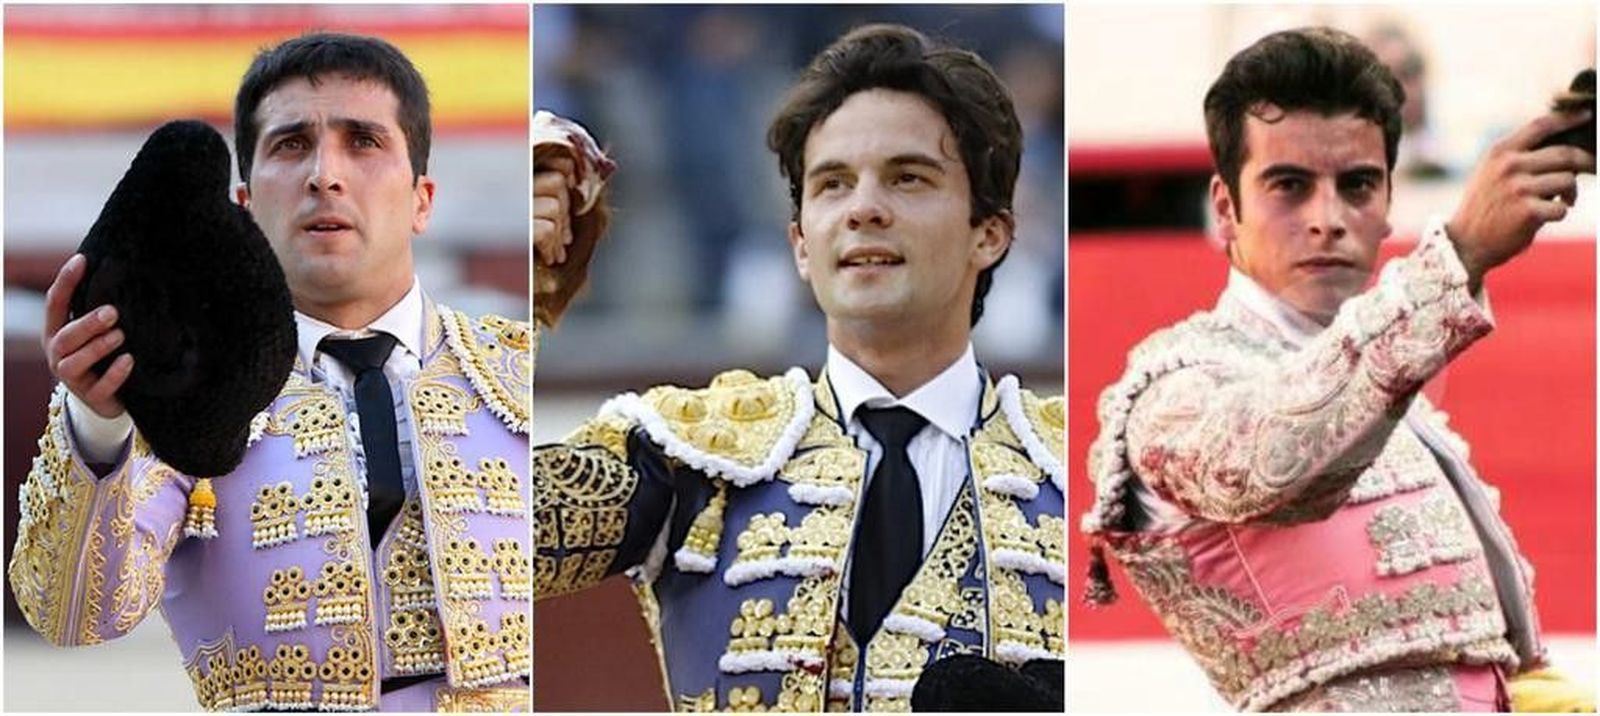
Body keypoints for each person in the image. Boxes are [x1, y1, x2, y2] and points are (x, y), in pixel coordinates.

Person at [533, 24, 1064, 711]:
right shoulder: (689, 459)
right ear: (801, 246)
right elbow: (465, 547)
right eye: (833, 184)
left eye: (907, 178)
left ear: (989, 234)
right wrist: (523, 306)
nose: (864, 209)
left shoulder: (1076, 474)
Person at [9, 33, 531, 712]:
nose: (325, 176)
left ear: (422, 199)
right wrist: (97, 421)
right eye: (291, 145)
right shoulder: (184, 390)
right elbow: (73, 614)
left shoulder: (515, 368)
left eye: (363, 141)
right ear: (245, 205)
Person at [1080, 27, 1594, 712]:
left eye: (1357, 186)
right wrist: (1459, 254)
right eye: (1289, 186)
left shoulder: (1400, 406)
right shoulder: (1173, 390)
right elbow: (1270, 457)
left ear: (1387, 205)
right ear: (1226, 209)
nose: (1327, 219)